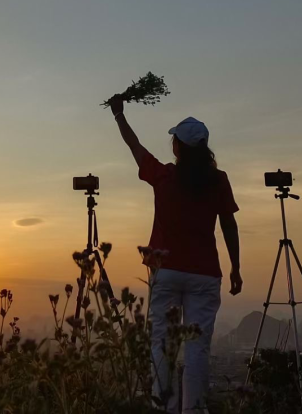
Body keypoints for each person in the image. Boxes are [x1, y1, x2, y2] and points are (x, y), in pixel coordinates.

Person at [108, 95, 242, 414]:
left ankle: (163, 408)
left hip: (166, 272)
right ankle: (193, 410)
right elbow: (229, 224)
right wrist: (236, 268)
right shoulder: (218, 181)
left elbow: (135, 147)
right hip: (205, 274)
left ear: (178, 147)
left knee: (162, 348)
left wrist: (118, 115)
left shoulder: (165, 176)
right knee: (197, 350)